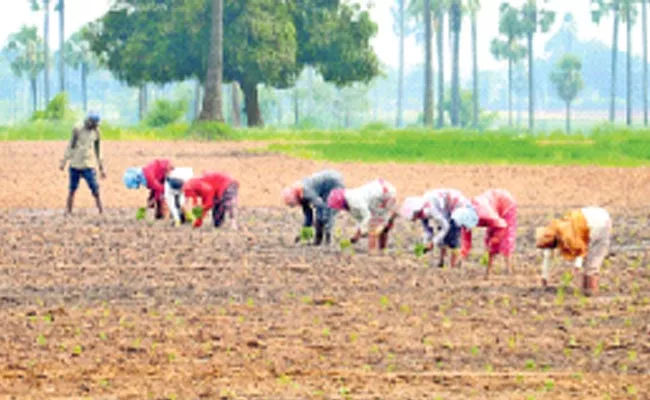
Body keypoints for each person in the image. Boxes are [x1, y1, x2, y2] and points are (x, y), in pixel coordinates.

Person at [536, 207, 612, 296]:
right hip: (599, 216)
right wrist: (544, 277)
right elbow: (547, 256)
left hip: (594, 224)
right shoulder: (555, 229)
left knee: (593, 260)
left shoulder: (565, 233)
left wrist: (577, 266)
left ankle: (591, 292)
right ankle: (587, 289)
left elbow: (579, 245)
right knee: (592, 260)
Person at [400, 189, 478, 268]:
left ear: (417, 212)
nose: (415, 219)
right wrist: (426, 243)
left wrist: (433, 242)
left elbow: (446, 226)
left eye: (414, 217)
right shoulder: (422, 210)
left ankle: (454, 267)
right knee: (442, 235)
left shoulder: (430, 209)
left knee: (452, 238)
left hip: (459, 209)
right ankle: (441, 263)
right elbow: (427, 230)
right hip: (446, 210)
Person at [327, 179, 398, 252]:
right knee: (383, 224)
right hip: (385, 189)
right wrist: (357, 235)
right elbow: (361, 219)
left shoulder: (354, 202)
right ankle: (383, 251)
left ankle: (372, 253)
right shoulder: (350, 197)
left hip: (382, 193)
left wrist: (361, 233)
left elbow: (367, 217)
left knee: (373, 227)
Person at [462, 189, 518, 279]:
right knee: (489, 240)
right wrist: (465, 251)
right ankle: (488, 271)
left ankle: (509, 269)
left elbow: (502, 226)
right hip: (493, 206)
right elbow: (466, 236)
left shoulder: (485, 214)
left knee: (505, 239)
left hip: (507, 204)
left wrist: (494, 239)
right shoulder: (465, 215)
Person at [59, 112, 106, 215]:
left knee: (95, 189)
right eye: (94, 123)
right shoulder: (77, 128)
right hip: (75, 164)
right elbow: (71, 145)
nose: (95, 125)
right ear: (89, 121)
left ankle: (101, 210)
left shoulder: (96, 132)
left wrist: (102, 168)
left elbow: (98, 150)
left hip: (88, 164)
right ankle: (68, 210)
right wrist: (64, 161)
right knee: (72, 189)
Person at [282, 170, 344, 246]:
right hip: (327, 183)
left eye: (293, 204)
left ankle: (328, 238)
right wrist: (303, 234)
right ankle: (319, 240)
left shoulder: (306, 193)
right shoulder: (301, 196)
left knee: (326, 210)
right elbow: (308, 216)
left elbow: (321, 205)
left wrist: (322, 222)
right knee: (321, 214)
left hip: (333, 182)